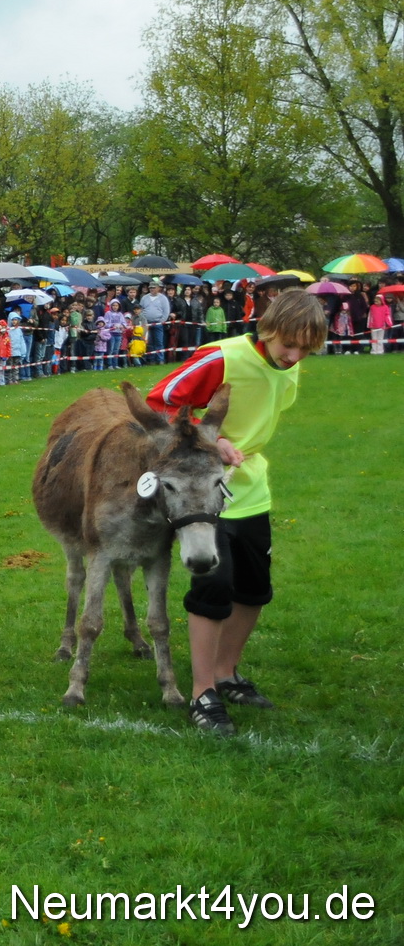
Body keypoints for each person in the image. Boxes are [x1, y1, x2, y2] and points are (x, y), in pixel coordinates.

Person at [147, 291, 326, 737]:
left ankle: (227, 673)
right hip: (203, 490)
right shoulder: (221, 357)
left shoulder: (290, 366)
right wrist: (212, 440)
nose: (295, 354)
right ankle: (202, 691)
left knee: (253, 588)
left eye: (306, 348)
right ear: (269, 328)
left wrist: (238, 450)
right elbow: (160, 402)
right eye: (290, 343)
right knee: (215, 585)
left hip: (252, 488)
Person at [139, 284, 170, 365]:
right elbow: (140, 309)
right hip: (146, 323)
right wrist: (143, 320)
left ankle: (160, 359)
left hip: (158, 323)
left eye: (154, 288)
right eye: (150, 288)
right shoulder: (144, 298)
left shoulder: (163, 298)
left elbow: (166, 311)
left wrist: (162, 321)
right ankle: (151, 359)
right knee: (149, 342)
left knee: (159, 342)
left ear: (158, 288)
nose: (152, 289)